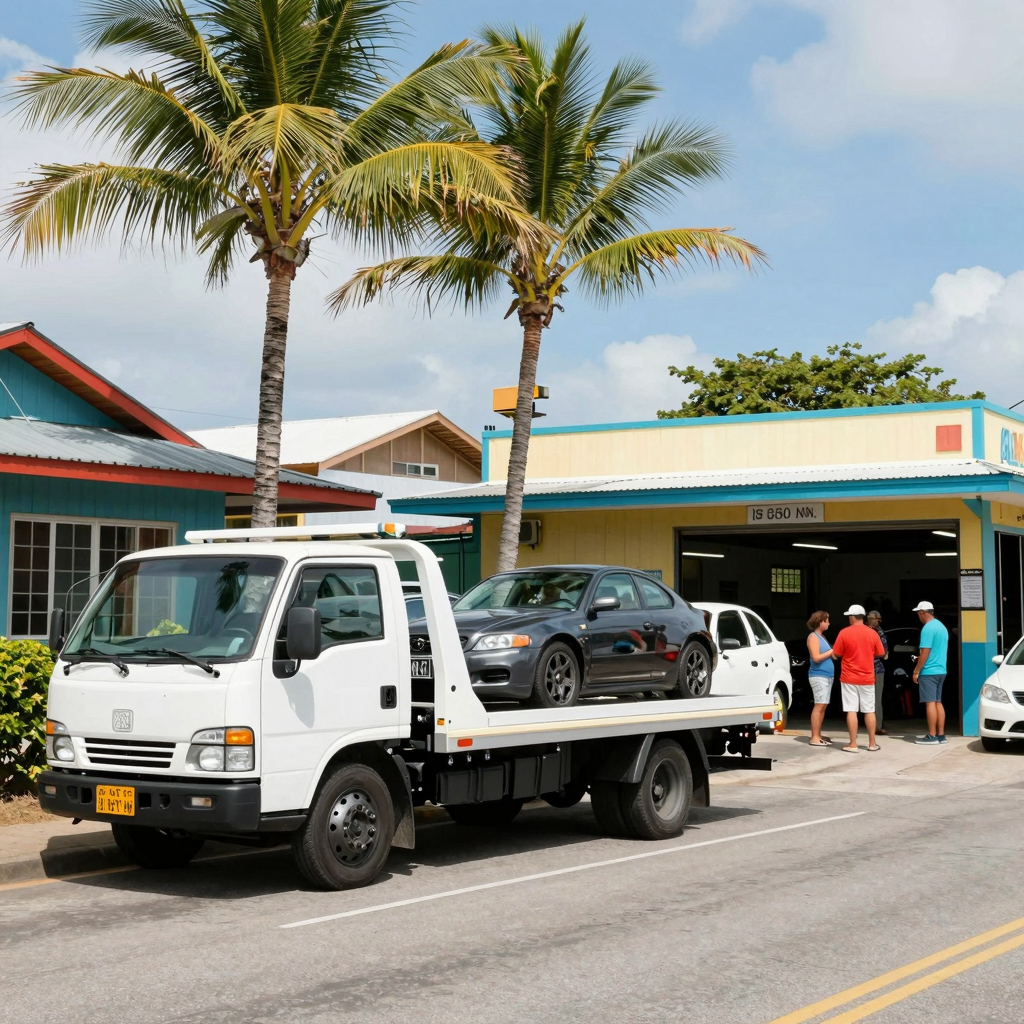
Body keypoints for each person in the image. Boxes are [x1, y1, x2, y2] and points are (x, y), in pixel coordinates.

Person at [831, 604, 884, 752]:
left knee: (851, 710)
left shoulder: (844, 633)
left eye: (849, 616)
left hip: (849, 677)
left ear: (853, 617)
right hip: (867, 677)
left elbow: (836, 654)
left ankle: (853, 744)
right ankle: (872, 744)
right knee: (869, 710)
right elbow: (880, 653)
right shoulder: (872, 633)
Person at [912, 600, 949, 745]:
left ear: (922, 613)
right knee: (938, 702)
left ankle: (932, 735)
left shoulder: (927, 628)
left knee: (930, 704)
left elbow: (925, 652)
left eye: (918, 613)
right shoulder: (941, 627)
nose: (918, 616)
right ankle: (941, 735)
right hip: (941, 670)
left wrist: (916, 670)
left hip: (929, 671)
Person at [805, 611, 834, 746]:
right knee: (819, 705)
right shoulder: (813, 637)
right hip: (819, 675)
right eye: (827, 620)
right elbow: (816, 658)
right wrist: (832, 651)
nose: (829, 623)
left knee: (823, 705)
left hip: (827, 675)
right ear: (820, 622)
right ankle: (814, 737)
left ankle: (818, 734)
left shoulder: (822, 637)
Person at [866, 610, 889, 734]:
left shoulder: (880, 632)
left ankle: (877, 725)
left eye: (876, 619)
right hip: (864, 669)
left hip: (876, 669)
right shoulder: (864, 630)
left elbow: (883, 653)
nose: (874, 621)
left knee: (876, 699)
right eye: (871, 618)